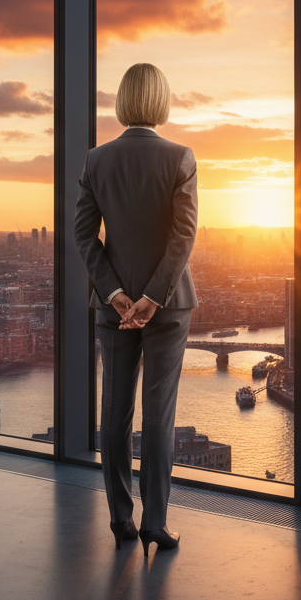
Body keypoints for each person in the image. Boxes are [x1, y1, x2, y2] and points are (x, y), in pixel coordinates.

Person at [75, 62, 198, 557]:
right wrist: (152, 297)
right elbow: (182, 235)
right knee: (159, 414)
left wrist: (116, 294)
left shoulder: (95, 160)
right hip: (167, 309)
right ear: (162, 101)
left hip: (113, 308)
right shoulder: (180, 157)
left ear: (124, 101)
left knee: (115, 412)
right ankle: (157, 522)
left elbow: (85, 236)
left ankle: (121, 519)